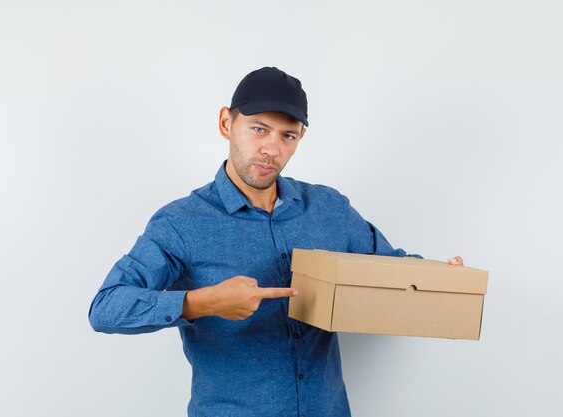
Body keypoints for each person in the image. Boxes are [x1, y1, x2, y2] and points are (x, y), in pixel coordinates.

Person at [88, 66, 464, 417]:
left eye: (288, 135)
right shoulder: (181, 222)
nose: (272, 148)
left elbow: (389, 268)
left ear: (301, 138)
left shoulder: (329, 208)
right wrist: (201, 302)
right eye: (258, 129)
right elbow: (106, 307)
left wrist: (439, 278)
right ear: (226, 123)